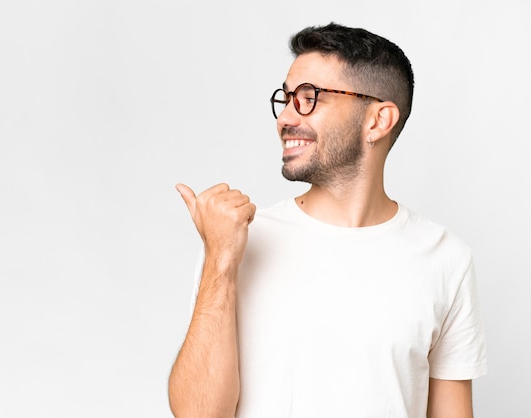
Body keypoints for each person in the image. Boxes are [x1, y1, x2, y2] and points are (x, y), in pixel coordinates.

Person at [168, 22, 487, 418]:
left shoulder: (445, 259)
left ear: (377, 121)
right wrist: (220, 259)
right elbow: (198, 414)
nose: (285, 117)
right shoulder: (236, 241)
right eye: (285, 99)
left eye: (308, 98)